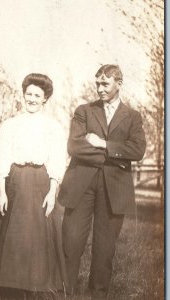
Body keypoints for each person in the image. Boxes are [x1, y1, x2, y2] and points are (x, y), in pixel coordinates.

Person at [58, 64, 146, 299]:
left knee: (104, 250)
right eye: (97, 83)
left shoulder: (133, 117)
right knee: (70, 244)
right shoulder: (84, 111)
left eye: (105, 83)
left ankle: (98, 295)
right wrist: (116, 156)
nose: (100, 88)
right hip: (80, 186)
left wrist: (102, 144)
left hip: (114, 190)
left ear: (119, 83)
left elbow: (138, 150)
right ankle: (64, 294)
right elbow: (74, 146)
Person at [0, 73, 68, 295]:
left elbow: (58, 160)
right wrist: (2, 191)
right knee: (13, 232)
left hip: (40, 182)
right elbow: (1, 157)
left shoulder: (54, 127)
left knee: (38, 233)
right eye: (28, 94)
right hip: (15, 181)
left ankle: (36, 285)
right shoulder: (11, 125)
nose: (32, 99)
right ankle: (9, 286)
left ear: (45, 98)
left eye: (37, 95)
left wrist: (52, 191)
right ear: (23, 95)